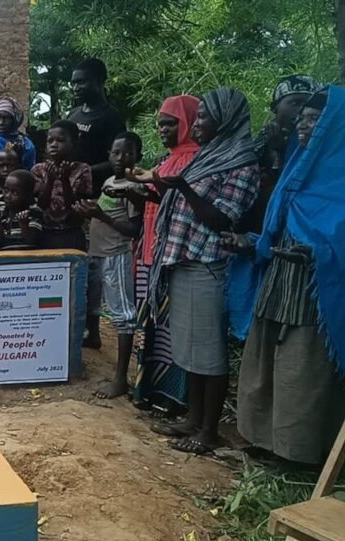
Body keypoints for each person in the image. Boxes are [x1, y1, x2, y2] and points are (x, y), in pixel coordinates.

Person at [129, 88, 259, 456]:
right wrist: (156, 190)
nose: (197, 123)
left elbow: (222, 219)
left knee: (208, 352)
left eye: (203, 116)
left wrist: (182, 186)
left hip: (209, 263)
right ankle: (193, 419)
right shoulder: (209, 156)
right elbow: (184, 205)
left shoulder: (241, 163)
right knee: (189, 348)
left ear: (225, 119)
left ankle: (208, 431)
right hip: (183, 259)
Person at [230, 88, 345, 465]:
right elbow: (275, 227)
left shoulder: (339, 179)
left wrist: (318, 254)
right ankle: (261, 437)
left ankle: (296, 452)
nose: (304, 127)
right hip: (280, 277)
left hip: (316, 291)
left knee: (302, 367)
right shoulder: (296, 170)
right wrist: (252, 242)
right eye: (302, 120)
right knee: (265, 359)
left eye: (315, 121)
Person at [132, 95, 199, 415]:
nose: (163, 130)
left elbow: (184, 202)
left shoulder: (196, 161)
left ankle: (175, 396)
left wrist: (154, 181)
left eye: (170, 124)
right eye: (160, 124)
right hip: (150, 252)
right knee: (151, 324)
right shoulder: (166, 160)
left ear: (188, 124)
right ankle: (148, 389)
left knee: (171, 328)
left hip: (174, 256)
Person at [74, 132, 145, 398]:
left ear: (138, 156)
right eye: (116, 153)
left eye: (127, 153)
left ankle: (121, 378)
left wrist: (100, 215)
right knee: (94, 302)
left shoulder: (134, 188)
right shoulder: (109, 182)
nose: (120, 158)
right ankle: (94, 337)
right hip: (99, 253)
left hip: (117, 255)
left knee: (123, 315)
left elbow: (134, 229)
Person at [247, 75, 319, 234]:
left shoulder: (316, 142)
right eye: (295, 103)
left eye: (308, 104)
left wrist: (281, 151)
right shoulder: (264, 139)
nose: (302, 109)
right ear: (275, 108)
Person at [67, 58, 126, 195]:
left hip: (96, 193)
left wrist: (83, 172)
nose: (76, 88)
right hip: (68, 190)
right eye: (74, 83)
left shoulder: (111, 118)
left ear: (99, 81)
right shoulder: (73, 114)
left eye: (81, 82)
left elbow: (119, 160)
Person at [32, 120, 92, 251]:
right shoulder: (39, 170)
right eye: (50, 141)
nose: (54, 145)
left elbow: (76, 207)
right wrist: (50, 180)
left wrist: (65, 180)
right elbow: (40, 205)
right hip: (45, 233)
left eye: (60, 140)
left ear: (73, 143)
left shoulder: (82, 169)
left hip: (72, 232)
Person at [0, 169, 42, 248]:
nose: (8, 196)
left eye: (15, 193)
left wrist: (23, 224)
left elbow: (32, 242)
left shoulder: (34, 212)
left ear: (28, 195)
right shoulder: (0, 212)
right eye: (6, 191)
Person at [0, 97, 36, 170]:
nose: (1, 122)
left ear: (14, 119)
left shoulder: (26, 145)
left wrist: (18, 157)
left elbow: (28, 170)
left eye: (6, 118)